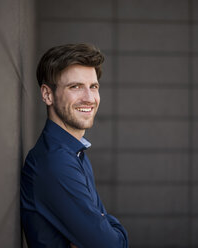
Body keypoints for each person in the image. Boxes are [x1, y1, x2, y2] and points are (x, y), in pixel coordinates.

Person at [20, 43, 128, 248]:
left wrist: (102, 223)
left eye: (93, 87)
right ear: (47, 95)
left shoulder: (74, 152)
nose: (89, 98)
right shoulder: (54, 163)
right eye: (75, 87)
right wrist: (113, 229)